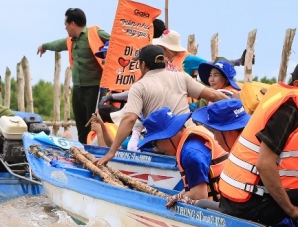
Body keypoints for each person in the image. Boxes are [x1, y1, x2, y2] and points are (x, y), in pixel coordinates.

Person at [218, 57, 298, 226]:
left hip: (253, 197)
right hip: (248, 205)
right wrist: (291, 210)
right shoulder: (288, 111)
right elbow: (264, 164)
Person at [95, 45, 225, 165]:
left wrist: (111, 152)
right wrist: (240, 105)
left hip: (164, 146)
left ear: (143, 64)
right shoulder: (181, 77)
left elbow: (129, 118)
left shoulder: (139, 86)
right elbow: (213, 95)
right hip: (189, 139)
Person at [140, 98, 250, 205]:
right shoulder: (191, 139)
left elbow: (199, 194)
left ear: (167, 136)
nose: (158, 149)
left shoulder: (190, 154)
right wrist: (177, 197)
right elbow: (193, 189)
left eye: (155, 143)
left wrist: (176, 198)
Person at [38, 7, 111, 143]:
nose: (65, 28)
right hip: (78, 88)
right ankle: (82, 150)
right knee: (81, 124)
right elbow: (58, 44)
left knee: (93, 124)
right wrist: (44, 46)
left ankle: (95, 151)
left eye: (66, 25)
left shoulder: (94, 33)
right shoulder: (71, 40)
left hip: (94, 88)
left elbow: (115, 41)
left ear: (72, 24)